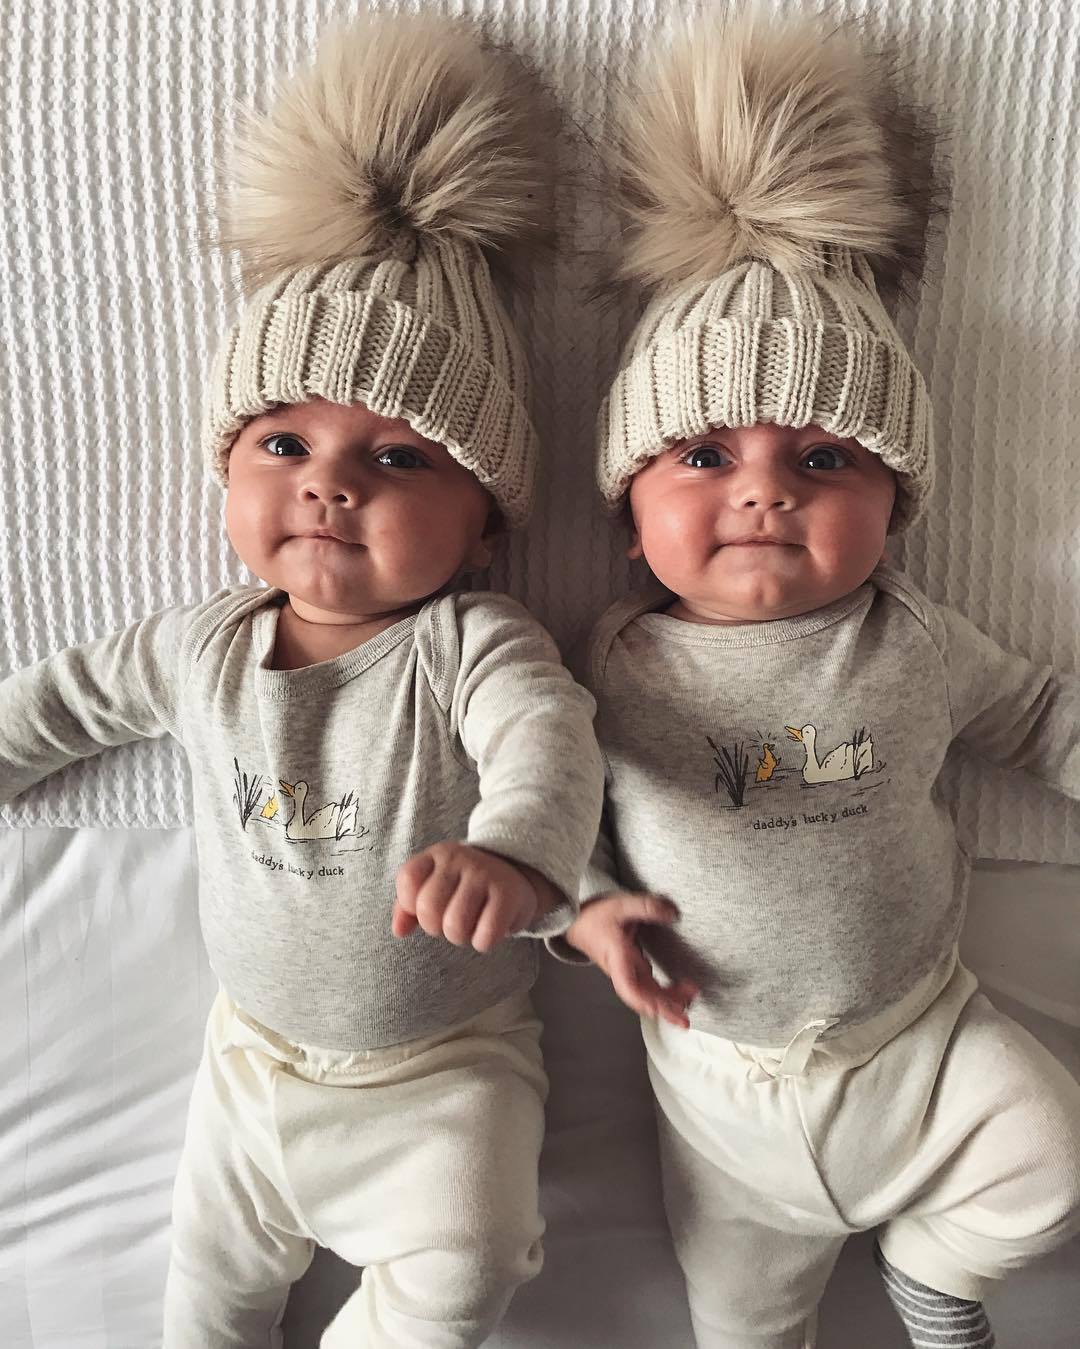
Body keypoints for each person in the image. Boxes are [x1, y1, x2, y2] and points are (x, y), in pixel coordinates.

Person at [0, 13, 603, 1347]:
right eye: (285, 443)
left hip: (446, 1070)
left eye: (399, 458)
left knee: (469, 1260)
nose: (331, 483)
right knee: (205, 1298)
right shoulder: (200, 645)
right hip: (253, 1062)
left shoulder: (473, 642)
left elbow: (548, 742)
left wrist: (514, 852)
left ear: (485, 524)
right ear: (227, 470)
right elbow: (60, 704)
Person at [563, 10, 1080, 1348]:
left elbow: (1042, 716)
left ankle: (939, 1276)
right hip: (721, 1092)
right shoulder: (606, 666)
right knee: (743, 1320)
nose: (765, 490)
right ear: (628, 514)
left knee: (1051, 1162)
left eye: (825, 458)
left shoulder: (913, 638)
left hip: (921, 1039)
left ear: (895, 507)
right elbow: (537, 810)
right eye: (704, 457)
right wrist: (587, 911)